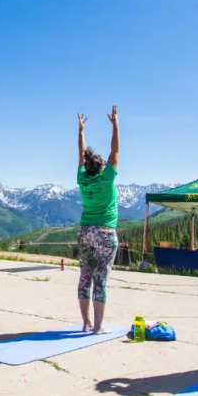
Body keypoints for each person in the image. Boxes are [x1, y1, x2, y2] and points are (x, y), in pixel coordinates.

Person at [76, 106, 119, 335]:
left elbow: (82, 156)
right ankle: (99, 326)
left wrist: (81, 131)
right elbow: (116, 151)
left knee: (85, 275)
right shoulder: (107, 178)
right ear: (102, 167)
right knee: (101, 277)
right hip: (105, 232)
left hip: (85, 231)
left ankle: (86, 323)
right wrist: (115, 125)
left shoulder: (82, 178)